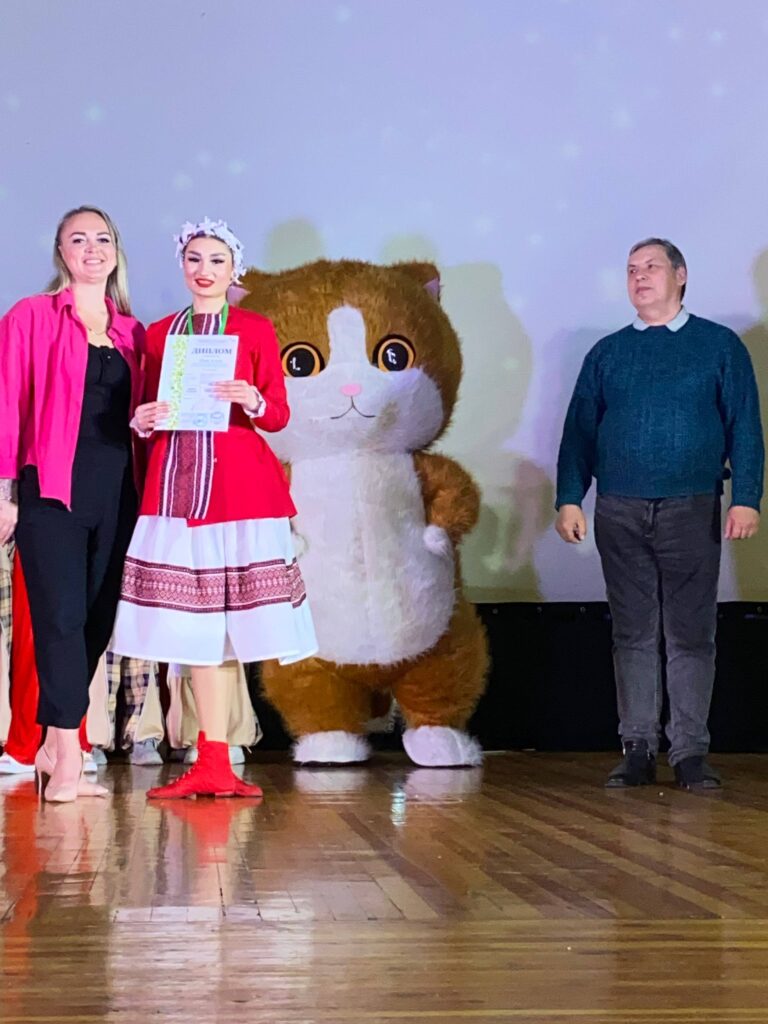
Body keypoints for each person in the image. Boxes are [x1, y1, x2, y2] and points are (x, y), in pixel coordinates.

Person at [111, 218, 317, 799]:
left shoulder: (254, 329)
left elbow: (278, 413)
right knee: (193, 628)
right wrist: (141, 419)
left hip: (239, 490)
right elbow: (146, 409)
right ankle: (210, 760)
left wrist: (252, 398)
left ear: (234, 271)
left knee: (233, 627)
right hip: (176, 489)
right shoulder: (158, 334)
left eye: (217, 261)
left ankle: (219, 758)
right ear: (182, 265)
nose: (204, 270)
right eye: (195, 259)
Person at [555, 238, 764, 790]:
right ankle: (638, 748)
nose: (639, 276)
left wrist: (747, 497)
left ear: (681, 275)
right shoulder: (607, 353)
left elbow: (745, 426)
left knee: (691, 633)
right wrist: (570, 496)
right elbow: (579, 433)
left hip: (692, 506)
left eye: (651, 267)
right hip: (619, 509)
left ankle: (690, 752)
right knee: (633, 633)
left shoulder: (718, 346)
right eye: (631, 269)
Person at [0, 205, 145, 801]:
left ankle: (53, 743)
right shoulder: (31, 316)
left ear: (115, 251)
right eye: (78, 239)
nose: (92, 249)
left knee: (96, 620)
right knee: (59, 619)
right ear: (61, 252)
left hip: (118, 493)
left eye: (102, 239)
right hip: (49, 490)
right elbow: (7, 405)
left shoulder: (132, 332)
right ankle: (65, 755)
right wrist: (5, 493)